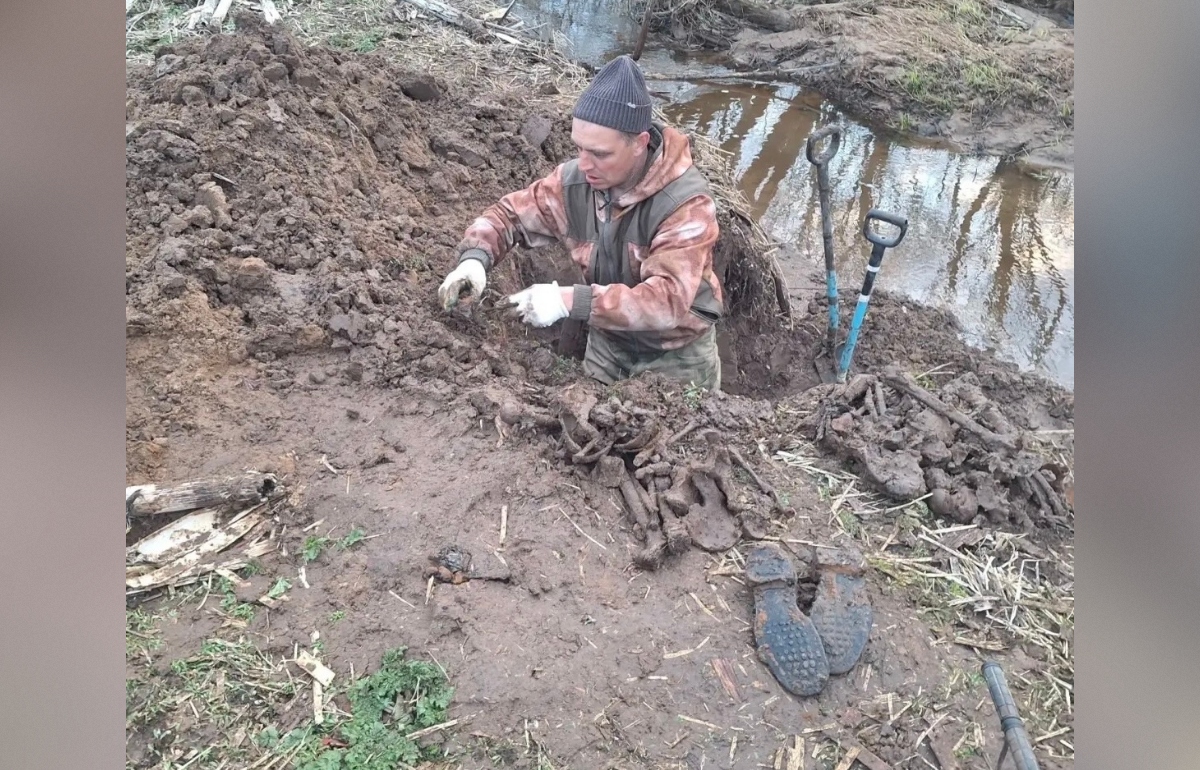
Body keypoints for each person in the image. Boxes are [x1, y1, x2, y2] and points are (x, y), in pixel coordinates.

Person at [437, 55, 725, 390]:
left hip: (677, 356)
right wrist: (474, 260)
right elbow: (510, 215)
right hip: (607, 344)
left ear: (639, 144)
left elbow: (667, 302)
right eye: (579, 148)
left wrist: (567, 301)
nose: (585, 165)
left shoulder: (685, 204)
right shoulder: (574, 182)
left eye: (600, 154)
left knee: (680, 437)